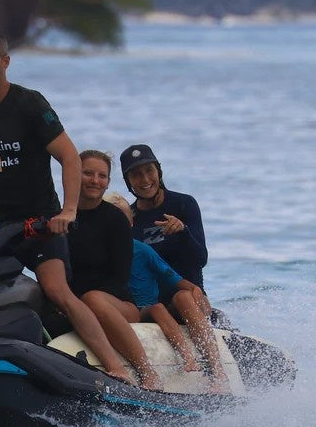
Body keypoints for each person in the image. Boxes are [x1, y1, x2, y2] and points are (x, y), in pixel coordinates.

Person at [0, 31, 138, 387]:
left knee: (56, 291)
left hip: (41, 222)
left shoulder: (30, 104)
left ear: (5, 62)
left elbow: (68, 156)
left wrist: (68, 211)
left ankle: (116, 368)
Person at [104, 190, 229, 393]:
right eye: (113, 220)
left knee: (180, 298)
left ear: (132, 224)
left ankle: (214, 370)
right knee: (158, 308)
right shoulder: (99, 253)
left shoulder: (142, 250)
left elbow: (174, 279)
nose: (119, 226)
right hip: (125, 311)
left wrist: (195, 290)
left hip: (149, 308)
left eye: (123, 219)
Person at [67, 150, 163, 390]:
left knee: (92, 298)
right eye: (88, 173)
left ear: (108, 181)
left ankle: (147, 373)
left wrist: (80, 301)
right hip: (75, 305)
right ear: (72, 174)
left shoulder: (115, 220)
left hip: (120, 305)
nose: (95, 180)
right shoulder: (62, 218)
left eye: (102, 176)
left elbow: (119, 279)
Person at [119, 144, 208, 299]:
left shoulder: (184, 203)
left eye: (149, 170)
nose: (145, 179)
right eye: (136, 174)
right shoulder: (128, 217)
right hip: (151, 305)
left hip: (190, 299)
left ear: (158, 171)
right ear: (128, 181)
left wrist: (183, 232)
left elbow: (201, 260)